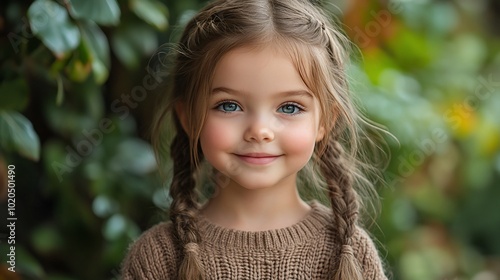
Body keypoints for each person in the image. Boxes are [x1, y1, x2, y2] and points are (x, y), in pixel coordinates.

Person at [121, 0, 389, 279]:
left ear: (325, 122)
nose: (260, 130)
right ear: (188, 117)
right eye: (229, 105)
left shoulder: (351, 253)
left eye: (289, 107)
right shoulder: (158, 257)